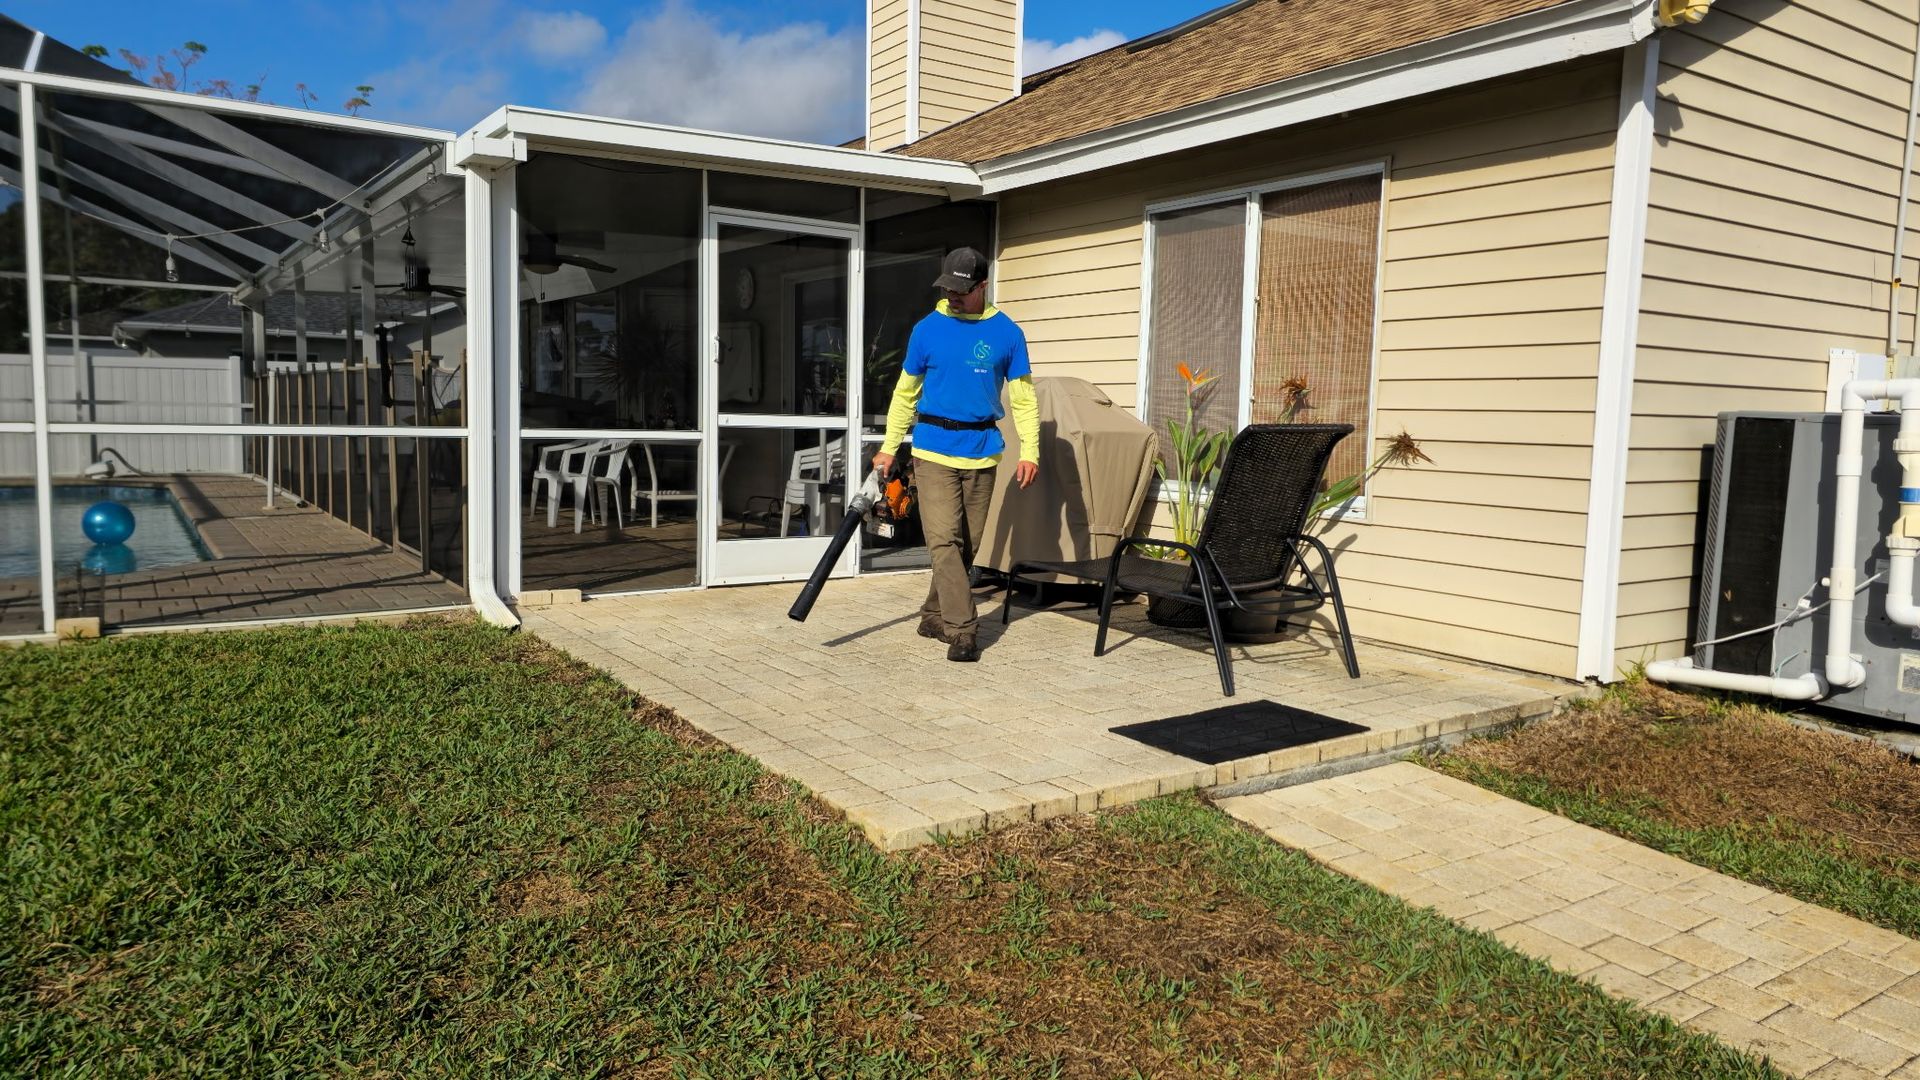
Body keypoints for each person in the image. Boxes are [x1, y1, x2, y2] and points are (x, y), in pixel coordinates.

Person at [872, 247, 1039, 662]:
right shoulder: (927, 330)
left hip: (982, 451)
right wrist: (890, 447)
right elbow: (905, 393)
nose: (952, 296)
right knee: (944, 540)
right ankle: (963, 629)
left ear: (983, 285)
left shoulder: (1007, 334)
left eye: (961, 290)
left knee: (966, 547)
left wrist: (1030, 452)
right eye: (947, 288)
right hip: (933, 449)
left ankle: (932, 615)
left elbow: (1024, 399)